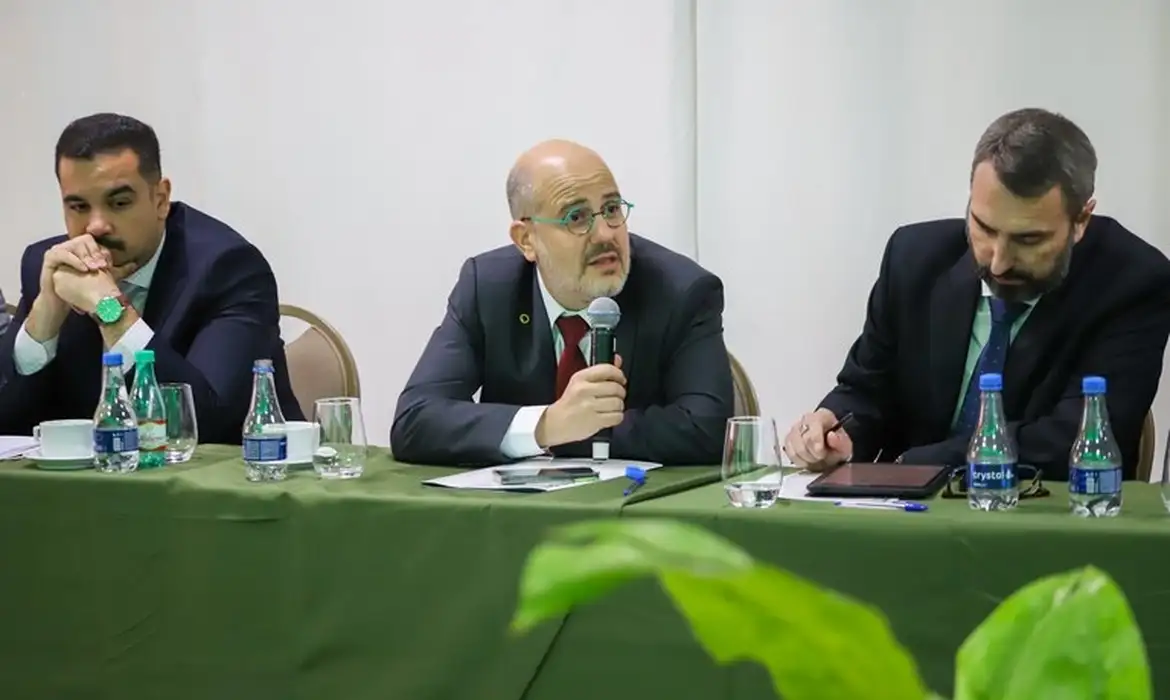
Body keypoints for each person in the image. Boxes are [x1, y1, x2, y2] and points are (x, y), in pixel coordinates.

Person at [783, 108, 1170, 481]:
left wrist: (916, 464)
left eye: (1028, 240)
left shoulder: (1132, 283)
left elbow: (1073, 439)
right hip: (902, 514)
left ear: (1081, 220)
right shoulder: (914, 259)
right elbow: (867, 390)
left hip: (1044, 514)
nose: (999, 262)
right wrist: (838, 430)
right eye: (984, 228)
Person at [392, 139, 734, 466]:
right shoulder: (488, 288)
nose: (605, 233)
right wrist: (546, 425)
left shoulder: (681, 290)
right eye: (576, 217)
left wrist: (574, 433)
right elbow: (415, 419)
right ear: (526, 239)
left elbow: (709, 428)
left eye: (612, 209)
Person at [0, 113, 303, 441]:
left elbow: (204, 421)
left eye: (119, 203)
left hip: (236, 469)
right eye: (78, 207)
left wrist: (108, 307)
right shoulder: (51, 269)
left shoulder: (227, 268)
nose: (96, 226)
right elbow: (8, 423)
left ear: (160, 200)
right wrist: (44, 318)